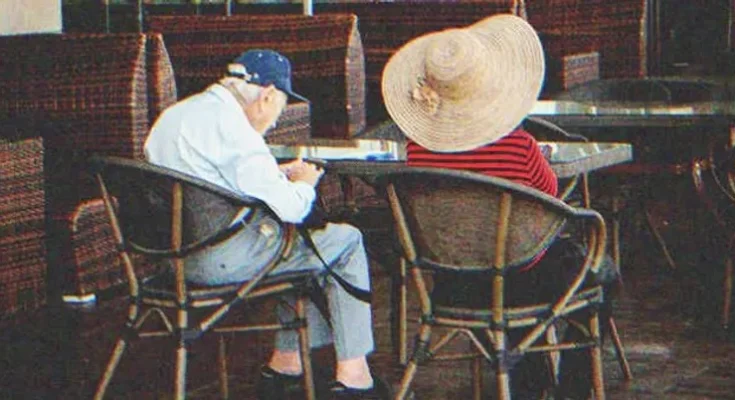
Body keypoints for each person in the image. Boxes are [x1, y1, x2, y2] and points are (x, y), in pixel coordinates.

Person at [381, 14, 619, 400]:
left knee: (513, 252)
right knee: (594, 267)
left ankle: (529, 379)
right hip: (521, 281)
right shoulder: (520, 146)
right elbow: (549, 207)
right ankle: (570, 391)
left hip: (452, 282)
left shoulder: (417, 151)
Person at [144, 49, 390, 400]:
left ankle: (286, 365)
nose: (275, 120)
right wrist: (304, 182)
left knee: (296, 248)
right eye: (280, 107)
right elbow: (293, 210)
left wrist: (274, 175)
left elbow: (208, 180)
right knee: (341, 240)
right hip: (216, 260)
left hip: (170, 256)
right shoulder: (237, 131)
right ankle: (354, 377)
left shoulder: (175, 115)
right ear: (267, 95)